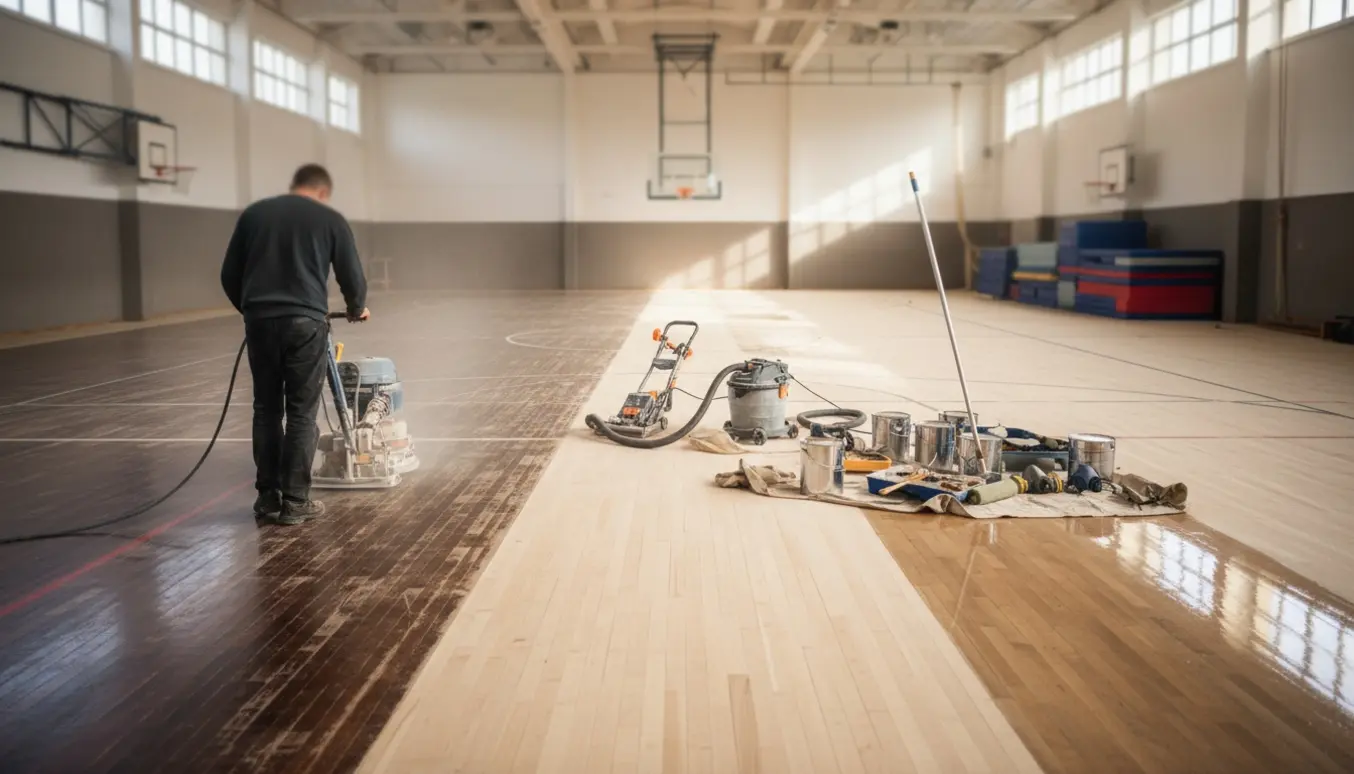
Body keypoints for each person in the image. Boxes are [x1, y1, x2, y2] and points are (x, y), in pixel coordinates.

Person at [220, 163, 369, 526]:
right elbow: (352, 275)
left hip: (259, 321)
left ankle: (267, 497)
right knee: (302, 412)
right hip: (305, 324)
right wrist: (355, 308)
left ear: (294, 185)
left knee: (266, 410)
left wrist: (253, 310)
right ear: (322, 191)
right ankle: (296, 501)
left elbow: (228, 275)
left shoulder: (255, 214)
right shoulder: (329, 219)